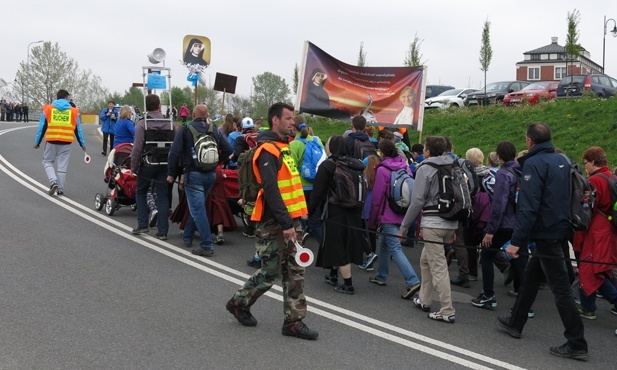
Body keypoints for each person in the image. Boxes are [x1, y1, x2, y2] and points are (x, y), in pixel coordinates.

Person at [226, 102, 318, 340]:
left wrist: (299, 215)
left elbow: (290, 186)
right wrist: (286, 223)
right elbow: (271, 189)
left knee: (295, 271)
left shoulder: (283, 147)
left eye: (293, 118)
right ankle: (239, 303)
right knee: (270, 272)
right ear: (275, 120)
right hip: (273, 222)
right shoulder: (267, 150)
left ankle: (294, 322)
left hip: (290, 220)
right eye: (288, 118)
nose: (292, 122)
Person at [497, 122, 588, 360]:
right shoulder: (564, 161)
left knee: (560, 290)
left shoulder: (534, 164)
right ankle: (516, 322)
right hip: (561, 228)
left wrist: (516, 241)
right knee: (531, 277)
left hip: (546, 232)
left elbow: (528, 207)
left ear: (529, 141)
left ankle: (577, 341)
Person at [398, 136, 457, 323]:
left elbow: (417, 201)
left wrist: (404, 227)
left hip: (433, 223)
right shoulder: (454, 166)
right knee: (425, 260)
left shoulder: (425, 168)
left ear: (428, 150)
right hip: (450, 221)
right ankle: (424, 299)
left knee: (438, 267)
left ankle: (447, 309)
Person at [166, 105, 232, 255]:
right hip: (211, 175)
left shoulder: (185, 129)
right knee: (198, 206)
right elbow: (228, 150)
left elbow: (174, 153)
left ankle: (207, 245)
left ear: (194, 114)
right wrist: (216, 163)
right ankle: (188, 236)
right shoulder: (214, 128)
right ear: (207, 115)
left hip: (193, 174)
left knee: (197, 209)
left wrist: (171, 173)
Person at [309, 135, 366, 295]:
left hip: (336, 211)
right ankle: (333, 274)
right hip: (354, 211)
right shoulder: (356, 164)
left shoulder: (328, 165)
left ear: (332, 147)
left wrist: (309, 211)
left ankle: (348, 284)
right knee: (340, 244)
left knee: (339, 247)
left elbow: (317, 192)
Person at [368, 140, 421, 298]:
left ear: (382, 154)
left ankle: (412, 281)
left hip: (388, 214)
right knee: (385, 244)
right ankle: (381, 276)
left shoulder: (383, 169)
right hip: (404, 212)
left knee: (395, 249)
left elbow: (377, 198)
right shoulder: (404, 166)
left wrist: (372, 220)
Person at [474, 142, 522, 309]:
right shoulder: (520, 170)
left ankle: (488, 295)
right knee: (520, 258)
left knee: (487, 254)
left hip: (504, 223)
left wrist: (490, 230)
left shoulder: (503, 174)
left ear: (499, 157)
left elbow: (499, 204)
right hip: (520, 222)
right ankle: (524, 301)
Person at [574, 146, 617, 320]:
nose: (585, 167)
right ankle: (587, 306)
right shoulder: (611, 177)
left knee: (591, 269)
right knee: (596, 269)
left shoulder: (594, 181)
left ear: (593, 162)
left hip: (596, 231)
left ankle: (604, 303)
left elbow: (586, 210)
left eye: (586, 163)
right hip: (609, 228)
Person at [131, 94, 176, 239]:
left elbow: (137, 148)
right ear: (159, 106)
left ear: (146, 107)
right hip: (164, 164)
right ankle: (163, 231)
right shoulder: (170, 124)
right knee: (162, 196)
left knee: (141, 192)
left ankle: (143, 224)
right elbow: (175, 146)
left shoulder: (142, 124)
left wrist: (134, 167)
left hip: (147, 163)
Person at [34, 89, 86, 196]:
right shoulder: (73, 111)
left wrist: (37, 142)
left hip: (52, 141)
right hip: (66, 142)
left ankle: (53, 181)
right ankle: (60, 189)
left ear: (57, 97)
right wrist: (82, 144)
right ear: (66, 98)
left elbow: (42, 127)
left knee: (47, 162)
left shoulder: (48, 109)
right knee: (62, 166)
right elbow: (78, 130)